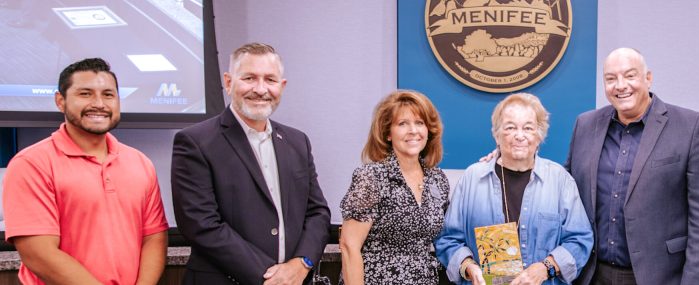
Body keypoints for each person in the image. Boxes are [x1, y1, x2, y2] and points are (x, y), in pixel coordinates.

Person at [171, 42, 331, 285]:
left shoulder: (298, 142)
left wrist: (301, 264)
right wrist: (274, 278)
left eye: (270, 79)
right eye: (249, 78)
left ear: (282, 86)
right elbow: (201, 224)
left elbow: (317, 212)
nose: (260, 89)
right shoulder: (195, 142)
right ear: (228, 82)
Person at [566, 48, 699, 285]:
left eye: (630, 76)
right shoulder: (586, 125)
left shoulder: (690, 127)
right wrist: (506, 160)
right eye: (611, 79)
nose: (620, 85)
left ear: (647, 78)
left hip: (661, 277)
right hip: (592, 276)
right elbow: (563, 189)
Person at [2, 58, 168, 284]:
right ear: (60, 101)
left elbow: (154, 239)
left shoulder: (140, 162)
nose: (99, 103)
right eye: (85, 94)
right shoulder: (31, 164)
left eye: (108, 95)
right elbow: (39, 254)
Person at [437, 93, 593, 285]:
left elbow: (580, 239)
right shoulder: (472, 179)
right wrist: (468, 267)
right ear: (497, 134)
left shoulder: (560, 180)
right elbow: (448, 240)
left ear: (539, 134)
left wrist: (546, 267)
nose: (520, 136)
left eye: (528, 128)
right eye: (510, 127)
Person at [339, 90, 450, 285]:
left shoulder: (437, 180)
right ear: (388, 133)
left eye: (419, 123)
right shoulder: (372, 177)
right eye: (402, 123)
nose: (413, 130)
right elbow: (349, 246)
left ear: (429, 130)